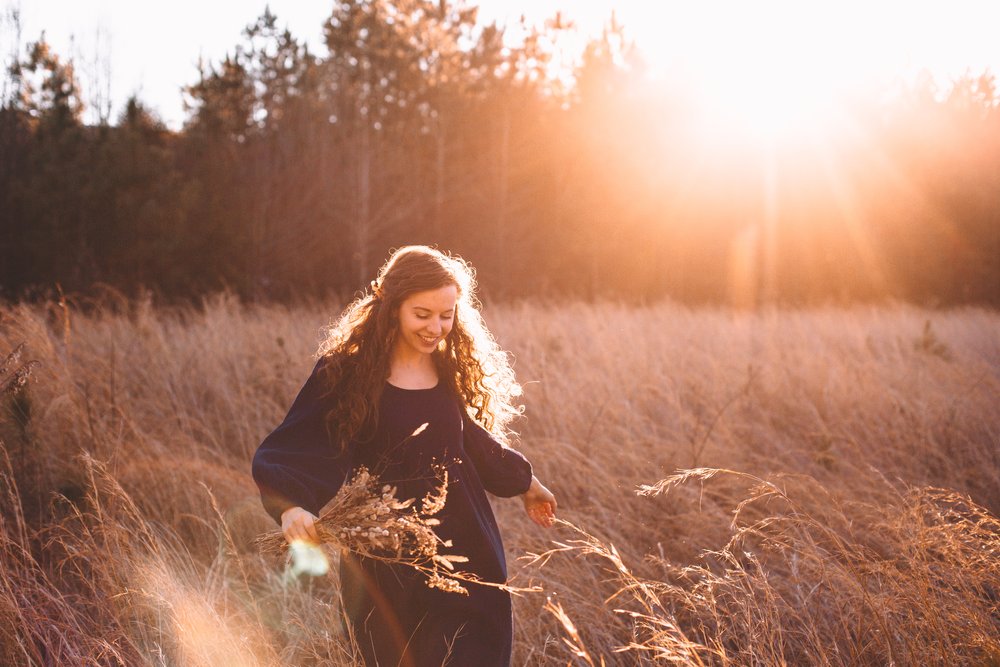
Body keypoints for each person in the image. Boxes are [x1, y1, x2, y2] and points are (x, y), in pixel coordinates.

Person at [251, 245, 557, 666]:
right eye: (422, 314)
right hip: (384, 562)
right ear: (391, 307)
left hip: (467, 558)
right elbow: (300, 443)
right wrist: (290, 507)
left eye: (446, 314)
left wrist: (525, 483)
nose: (436, 327)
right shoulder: (346, 374)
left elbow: (469, 441)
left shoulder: (447, 369)